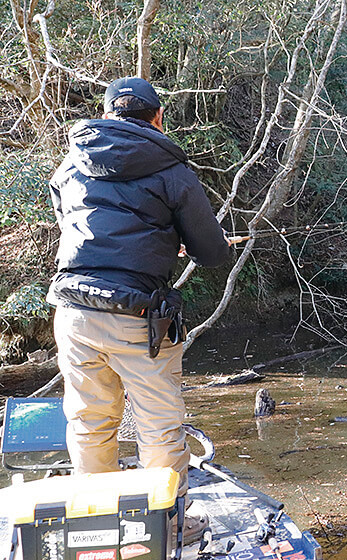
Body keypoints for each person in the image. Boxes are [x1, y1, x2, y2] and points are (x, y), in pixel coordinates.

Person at [47, 76, 230, 541]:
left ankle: (96, 522)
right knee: (158, 426)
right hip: (138, 315)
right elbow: (211, 253)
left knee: (89, 420)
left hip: (73, 311)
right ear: (158, 117)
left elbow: (79, 227)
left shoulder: (70, 165)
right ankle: (165, 527)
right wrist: (180, 242)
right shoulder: (172, 171)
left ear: (108, 114)